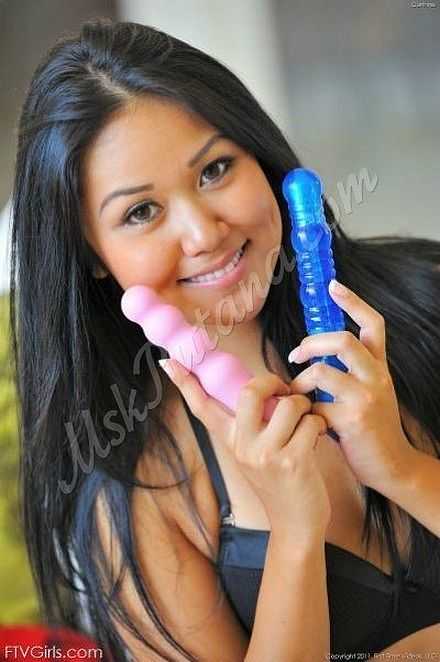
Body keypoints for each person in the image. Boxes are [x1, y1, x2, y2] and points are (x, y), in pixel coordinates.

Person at [9, 18, 440, 662]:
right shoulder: (141, 492)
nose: (204, 233)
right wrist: (294, 531)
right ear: (92, 254)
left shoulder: (427, 292)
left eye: (215, 169)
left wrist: (403, 470)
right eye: (141, 212)